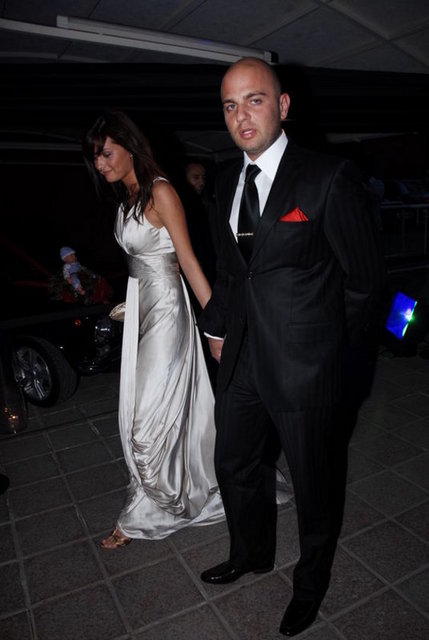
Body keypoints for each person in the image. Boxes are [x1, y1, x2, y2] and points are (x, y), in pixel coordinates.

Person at [198, 58, 386, 637]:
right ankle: (251, 553)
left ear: (282, 106)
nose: (241, 116)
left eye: (254, 100)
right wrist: (216, 328)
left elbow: (364, 282)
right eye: (230, 105)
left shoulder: (328, 177)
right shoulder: (224, 181)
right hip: (242, 358)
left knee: (313, 482)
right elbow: (232, 272)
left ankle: (310, 586)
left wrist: (331, 354)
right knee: (234, 462)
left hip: (307, 365)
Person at [82, 110, 224, 548]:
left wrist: (216, 327)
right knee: (142, 412)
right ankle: (157, 497)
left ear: (129, 148)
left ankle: (148, 514)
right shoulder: (128, 196)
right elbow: (140, 260)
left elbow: (188, 260)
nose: (100, 164)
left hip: (168, 313)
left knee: (146, 420)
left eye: (106, 154)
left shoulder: (161, 191)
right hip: (143, 309)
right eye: (96, 157)